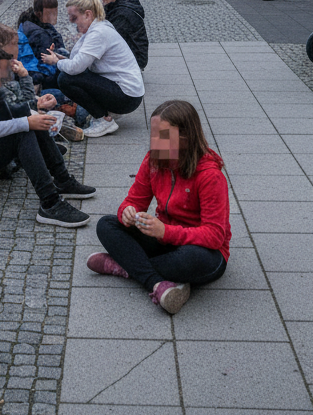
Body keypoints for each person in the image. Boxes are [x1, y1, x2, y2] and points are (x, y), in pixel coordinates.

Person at [89, 100, 230, 314]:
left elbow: (214, 236)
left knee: (192, 259)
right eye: (153, 134)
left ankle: (124, 266)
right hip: (162, 238)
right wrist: (127, 211)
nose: (155, 142)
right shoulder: (154, 160)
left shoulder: (210, 176)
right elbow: (134, 200)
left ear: (185, 138)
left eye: (162, 135)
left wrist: (165, 231)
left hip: (202, 250)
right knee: (107, 224)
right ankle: (158, 282)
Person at [0, 39, 95, 228]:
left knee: (28, 121)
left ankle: (63, 180)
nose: (2, 78)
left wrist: (35, 105)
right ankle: (50, 203)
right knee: (23, 129)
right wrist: (27, 122)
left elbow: (13, 110)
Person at [40, 0, 144, 139]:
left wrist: (56, 62)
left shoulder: (98, 33)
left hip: (127, 96)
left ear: (88, 14)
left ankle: (103, 120)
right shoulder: (98, 28)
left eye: (74, 18)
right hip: (126, 91)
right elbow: (78, 61)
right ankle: (103, 114)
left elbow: (75, 68)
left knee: (66, 79)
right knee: (66, 72)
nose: (72, 23)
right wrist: (60, 58)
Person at [0, 23, 84, 144]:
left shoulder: (8, 67)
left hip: (18, 111)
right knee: (56, 100)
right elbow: (18, 109)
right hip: (7, 127)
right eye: (15, 44)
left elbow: (21, 101)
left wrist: (38, 101)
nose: (18, 47)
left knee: (55, 96)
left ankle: (56, 125)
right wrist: (26, 80)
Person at [94, 0, 149, 71]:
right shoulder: (112, 4)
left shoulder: (123, 14)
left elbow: (106, 40)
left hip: (134, 61)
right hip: (130, 55)